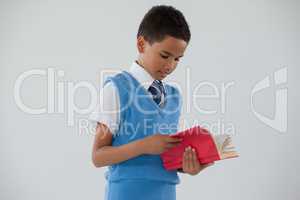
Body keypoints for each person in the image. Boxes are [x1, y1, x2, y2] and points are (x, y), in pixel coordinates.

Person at [89, 5, 214, 200]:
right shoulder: (116, 89)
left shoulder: (173, 96)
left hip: (165, 193)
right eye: (164, 56)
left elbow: (164, 157)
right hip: (126, 193)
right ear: (141, 44)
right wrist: (143, 145)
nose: (170, 66)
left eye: (177, 59)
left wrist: (188, 166)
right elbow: (98, 156)